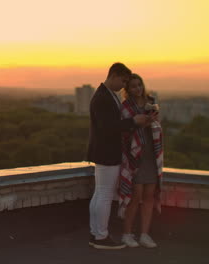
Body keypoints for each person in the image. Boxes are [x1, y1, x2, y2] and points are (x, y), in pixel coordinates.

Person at [87, 63, 152, 250]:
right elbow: (109, 128)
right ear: (114, 75)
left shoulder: (105, 95)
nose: (124, 85)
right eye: (123, 80)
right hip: (107, 152)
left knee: (100, 193)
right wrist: (134, 121)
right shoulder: (102, 98)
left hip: (103, 151)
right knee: (105, 194)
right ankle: (101, 236)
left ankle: (95, 233)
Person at [117, 73, 163, 248]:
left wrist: (154, 120)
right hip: (134, 156)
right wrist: (140, 123)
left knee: (149, 196)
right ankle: (126, 234)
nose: (138, 89)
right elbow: (124, 131)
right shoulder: (126, 107)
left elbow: (157, 125)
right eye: (133, 86)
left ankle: (144, 234)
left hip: (151, 153)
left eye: (140, 85)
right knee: (134, 196)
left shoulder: (151, 102)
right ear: (127, 89)